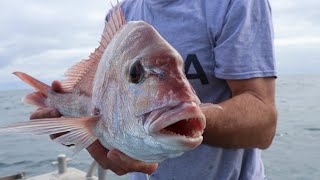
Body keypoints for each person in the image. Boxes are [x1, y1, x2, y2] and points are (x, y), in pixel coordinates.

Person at [31, 0, 277, 179]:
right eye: (137, 74)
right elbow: (102, 99)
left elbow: (264, 124)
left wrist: (182, 119)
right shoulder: (120, 13)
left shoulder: (235, 4)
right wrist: (86, 133)